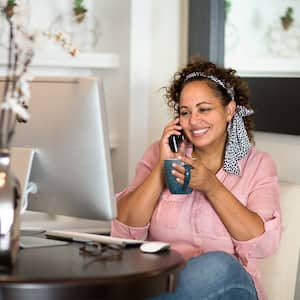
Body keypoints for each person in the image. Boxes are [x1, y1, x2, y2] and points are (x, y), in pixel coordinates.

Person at [111, 58, 282, 300]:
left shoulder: (258, 165)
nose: (193, 120)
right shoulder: (159, 154)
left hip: (231, 289)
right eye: (185, 112)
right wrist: (162, 167)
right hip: (165, 280)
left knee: (217, 265)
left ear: (229, 110)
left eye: (204, 109)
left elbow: (263, 245)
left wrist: (212, 187)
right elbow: (123, 231)